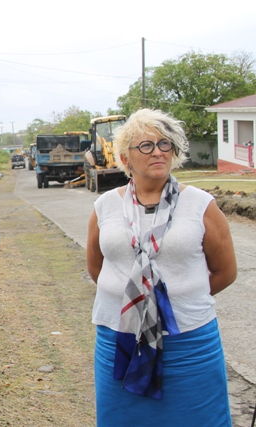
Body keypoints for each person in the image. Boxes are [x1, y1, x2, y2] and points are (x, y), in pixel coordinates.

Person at [86, 108, 237, 426]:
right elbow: (98, 269)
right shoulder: (106, 206)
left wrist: (177, 296)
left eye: (165, 144)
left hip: (189, 344)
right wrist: (137, 299)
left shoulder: (200, 204)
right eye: (145, 145)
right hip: (120, 339)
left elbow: (225, 271)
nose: (157, 151)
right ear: (126, 158)